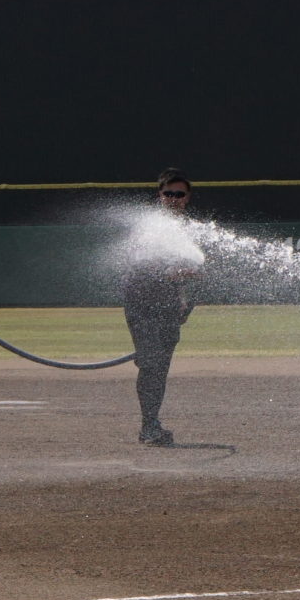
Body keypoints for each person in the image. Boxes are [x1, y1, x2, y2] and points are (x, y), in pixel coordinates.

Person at [122, 169, 202, 446]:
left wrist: (182, 299)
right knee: (153, 365)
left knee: (159, 366)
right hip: (141, 302)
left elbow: (191, 270)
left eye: (179, 194)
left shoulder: (189, 230)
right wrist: (169, 273)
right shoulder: (148, 225)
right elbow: (137, 262)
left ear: (187, 197)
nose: (174, 199)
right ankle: (149, 427)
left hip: (168, 307)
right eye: (168, 194)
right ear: (160, 196)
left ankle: (151, 422)